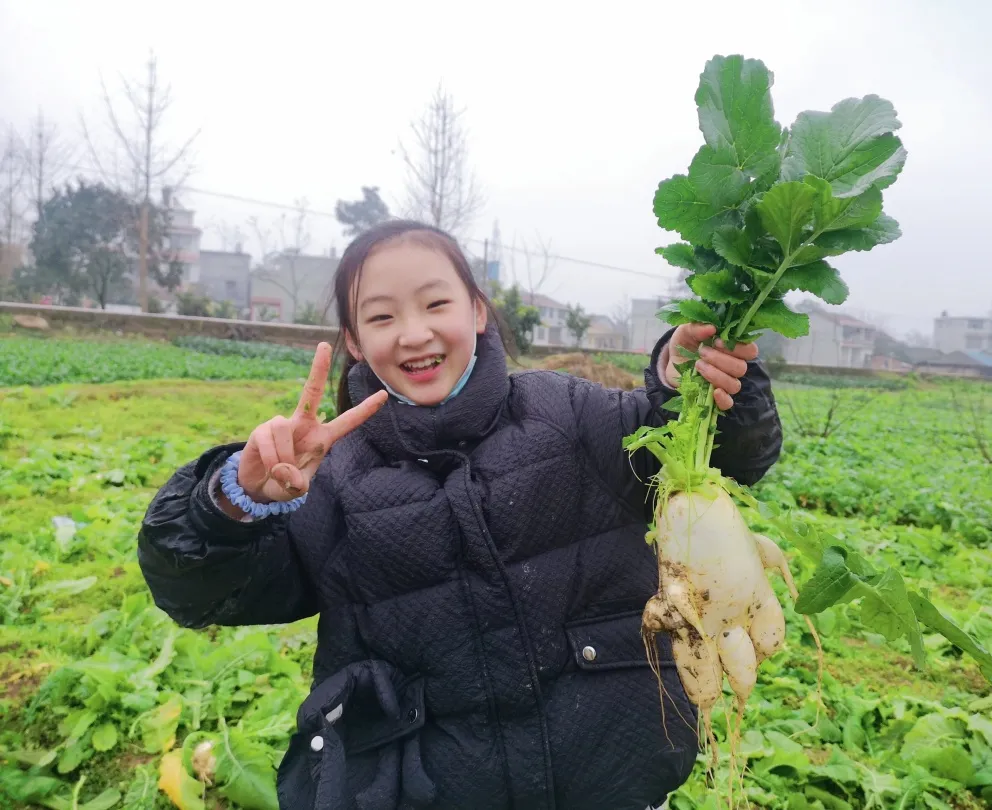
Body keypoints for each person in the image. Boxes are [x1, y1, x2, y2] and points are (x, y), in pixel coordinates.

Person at [138, 220, 783, 810]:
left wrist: (690, 381)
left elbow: (720, 460)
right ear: (356, 343)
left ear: (477, 311)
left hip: (611, 778)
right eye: (382, 316)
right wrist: (231, 500)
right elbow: (195, 592)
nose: (414, 333)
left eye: (435, 304)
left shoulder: (568, 417)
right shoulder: (332, 481)